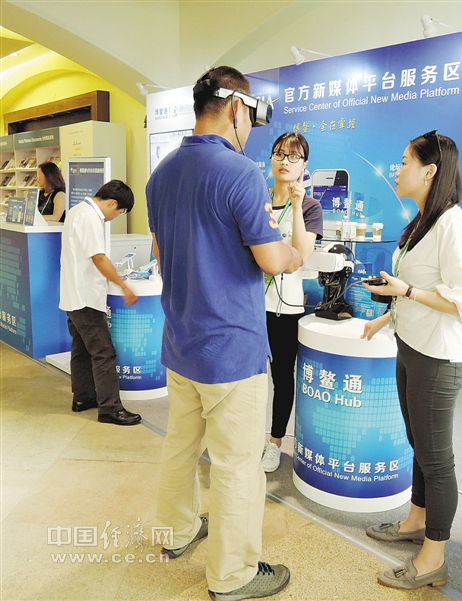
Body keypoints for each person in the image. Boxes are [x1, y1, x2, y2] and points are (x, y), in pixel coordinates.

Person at [146, 66, 302, 601]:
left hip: (181, 343)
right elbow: (273, 260)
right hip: (231, 351)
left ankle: (176, 531)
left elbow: (162, 254)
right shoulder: (239, 173)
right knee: (236, 466)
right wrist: (293, 253)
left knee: (180, 447)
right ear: (237, 107)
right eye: (253, 117)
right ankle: (233, 576)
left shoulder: (162, 174)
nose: (252, 129)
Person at [361, 131, 462, 590]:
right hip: (412, 346)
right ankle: (416, 520)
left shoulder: (453, 225)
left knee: (436, 457)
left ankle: (433, 558)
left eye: (404, 161)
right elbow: (419, 288)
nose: (397, 170)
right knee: (419, 443)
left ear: (430, 171)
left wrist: (408, 291)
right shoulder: (421, 222)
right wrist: (390, 312)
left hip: (438, 356)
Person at [261, 132, 323, 473]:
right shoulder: (257, 199)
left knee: (282, 378)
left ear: (304, 165)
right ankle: (244, 436)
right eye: (279, 154)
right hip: (250, 302)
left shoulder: (311, 207)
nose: (285, 161)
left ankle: (274, 443)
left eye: (294, 156)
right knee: (247, 376)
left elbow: (301, 254)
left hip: (286, 307)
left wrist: (297, 206)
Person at [59, 180, 142, 426]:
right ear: (113, 203)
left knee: (82, 349)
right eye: (120, 212)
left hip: (73, 294)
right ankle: (110, 409)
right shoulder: (90, 217)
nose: (115, 217)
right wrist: (123, 285)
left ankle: (83, 398)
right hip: (85, 298)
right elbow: (99, 257)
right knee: (104, 353)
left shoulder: (77, 210)